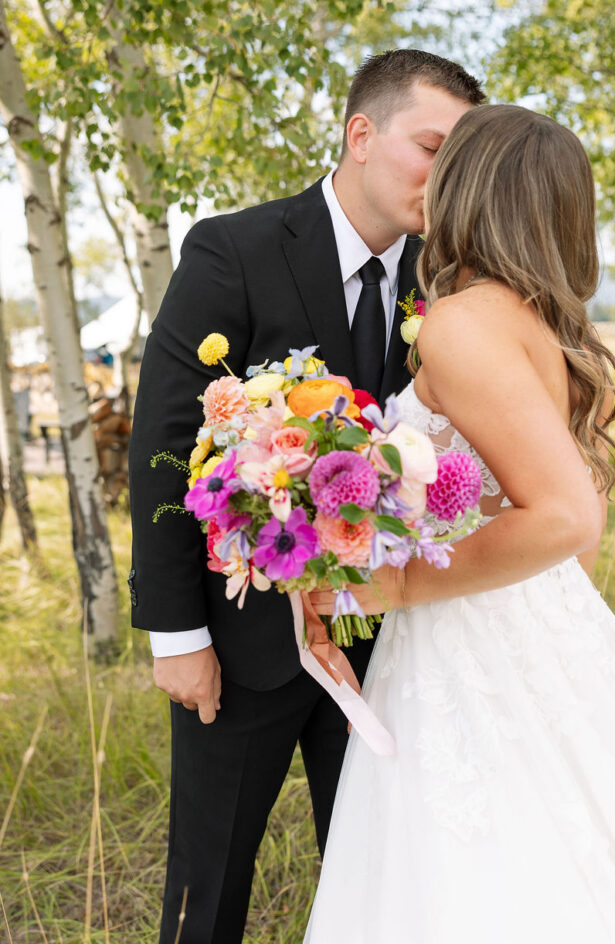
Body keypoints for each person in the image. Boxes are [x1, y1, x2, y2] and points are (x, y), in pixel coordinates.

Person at [303, 105, 615, 943]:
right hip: (539, 620)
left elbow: (562, 512)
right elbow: (582, 519)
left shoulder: (460, 324)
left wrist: (400, 583)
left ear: (468, 191)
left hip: (468, 631)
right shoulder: (542, 327)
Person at [126, 49, 485, 944]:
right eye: (432, 148)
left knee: (378, 882)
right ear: (361, 134)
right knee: (206, 891)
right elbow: (164, 448)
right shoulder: (234, 249)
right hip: (241, 647)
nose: (446, 179)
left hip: (383, 643)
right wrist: (178, 636)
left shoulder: (445, 283)